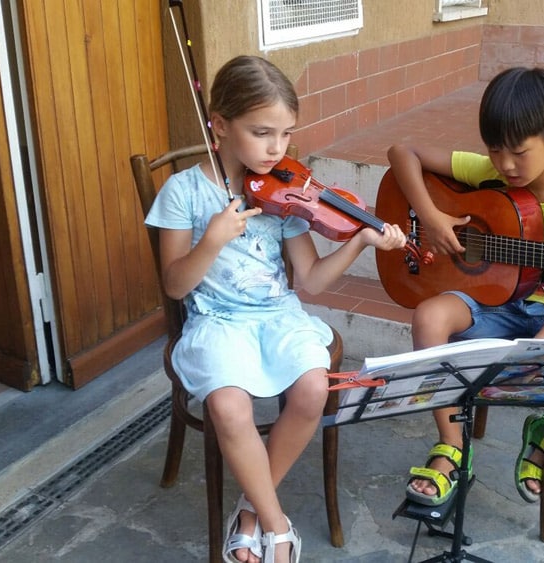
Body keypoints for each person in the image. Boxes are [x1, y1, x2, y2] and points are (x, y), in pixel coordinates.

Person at [145, 55, 405, 563]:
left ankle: (248, 511)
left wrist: (358, 243)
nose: (276, 149)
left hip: (277, 316)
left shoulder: (284, 190)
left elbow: (309, 280)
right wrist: (212, 241)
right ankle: (276, 525)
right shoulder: (184, 192)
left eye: (286, 134)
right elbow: (175, 285)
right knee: (227, 405)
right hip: (217, 322)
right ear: (218, 126)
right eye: (262, 132)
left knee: (312, 387)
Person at [386, 66, 544, 507]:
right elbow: (403, 151)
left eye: (518, 152)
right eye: (495, 152)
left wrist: (533, 353)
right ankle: (452, 445)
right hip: (495, 303)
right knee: (429, 316)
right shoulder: (488, 173)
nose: (505, 165)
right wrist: (432, 217)